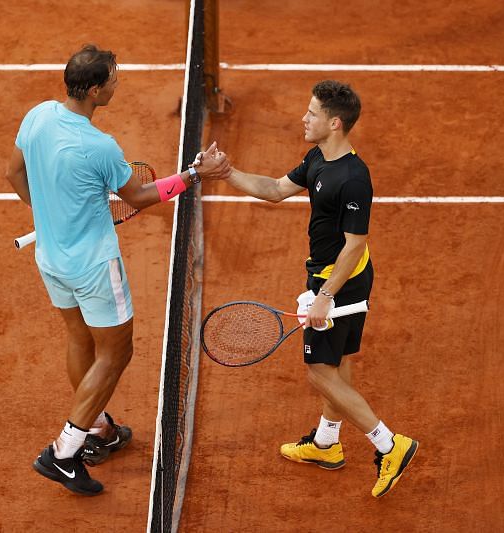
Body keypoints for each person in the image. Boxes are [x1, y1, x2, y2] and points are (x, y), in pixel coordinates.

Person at [5, 44, 230, 496]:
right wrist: (193, 174)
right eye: (112, 78)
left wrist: (50, 214)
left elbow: (13, 174)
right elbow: (142, 197)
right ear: (92, 90)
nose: (117, 83)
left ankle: (98, 430)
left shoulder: (37, 115)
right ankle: (65, 451)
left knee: (79, 338)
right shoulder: (99, 147)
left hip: (50, 257)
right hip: (93, 267)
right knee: (117, 352)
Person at [204, 80, 417, 498]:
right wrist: (226, 173)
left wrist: (325, 296)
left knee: (319, 373)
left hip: (341, 281)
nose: (304, 118)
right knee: (336, 364)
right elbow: (276, 190)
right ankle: (326, 443)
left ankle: (390, 445)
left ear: (334, 122)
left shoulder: (354, 178)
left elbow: (354, 243)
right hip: (334, 278)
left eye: (313, 113)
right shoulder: (318, 157)